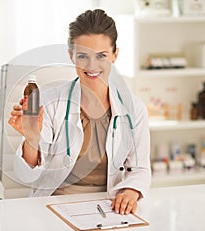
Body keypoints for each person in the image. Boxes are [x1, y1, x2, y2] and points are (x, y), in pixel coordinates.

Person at [8, 9, 151, 215]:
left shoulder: (133, 109)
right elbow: (27, 176)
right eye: (83, 56)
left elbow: (140, 169)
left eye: (101, 56)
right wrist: (31, 139)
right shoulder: (50, 102)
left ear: (115, 55)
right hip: (54, 206)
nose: (92, 66)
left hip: (109, 207)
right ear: (71, 56)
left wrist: (130, 191)